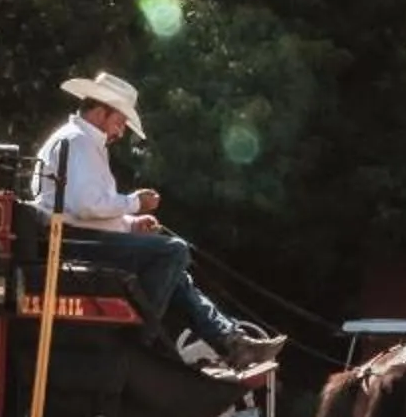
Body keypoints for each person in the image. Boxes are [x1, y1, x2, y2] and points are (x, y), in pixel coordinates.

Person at [31, 72, 285, 381]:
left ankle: (230, 341)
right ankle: (141, 342)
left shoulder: (79, 140)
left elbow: (84, 208)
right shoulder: (79, 141)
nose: (121, 131)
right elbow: (87, 205)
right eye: (119, 121)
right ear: (100, 111)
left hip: (79, 237)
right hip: (74, 243)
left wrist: (130, 223)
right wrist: (135, 203)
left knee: (175, 269)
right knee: (172, 252)